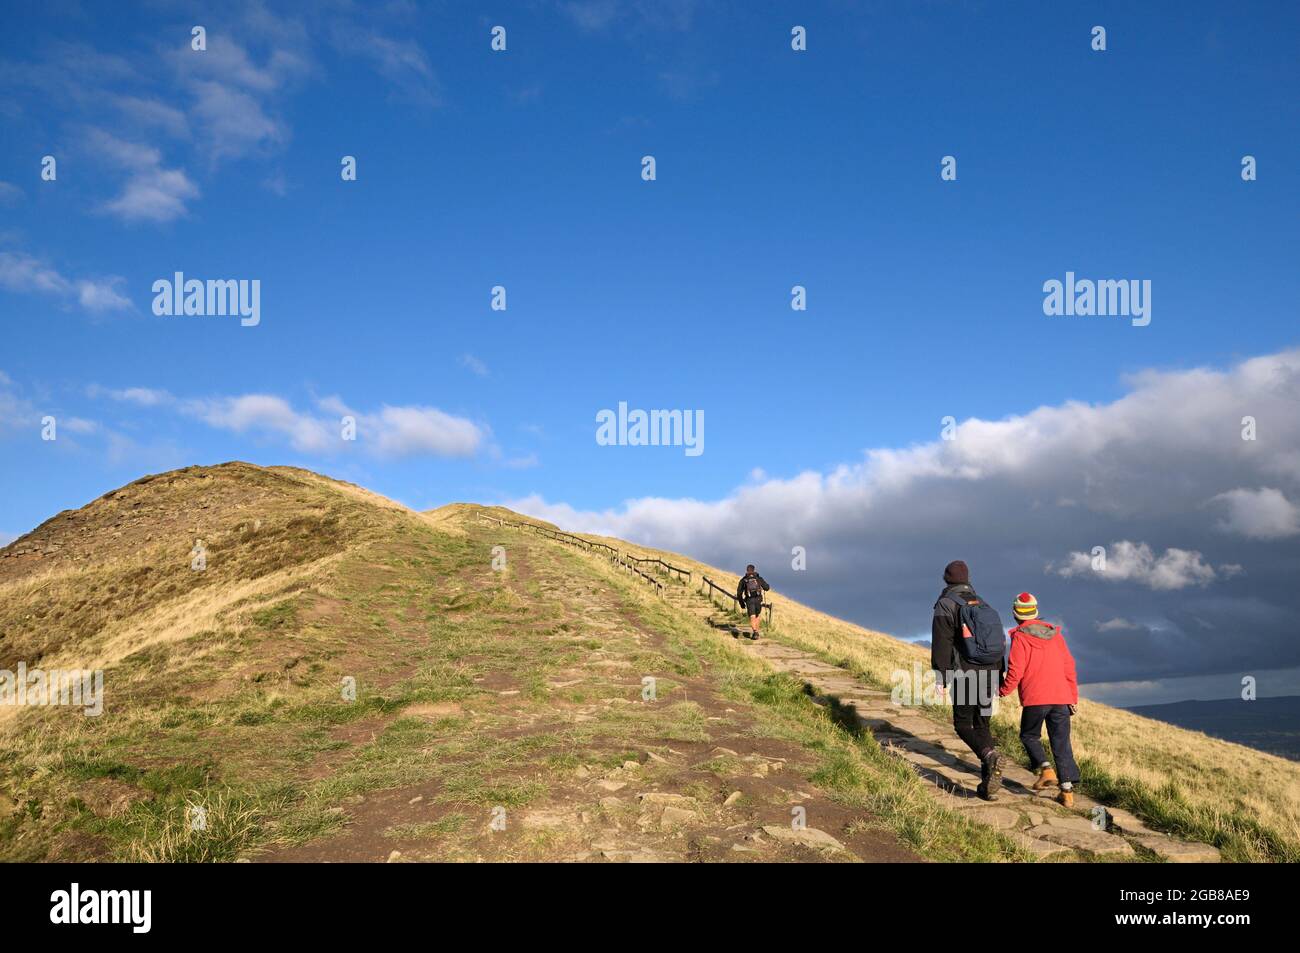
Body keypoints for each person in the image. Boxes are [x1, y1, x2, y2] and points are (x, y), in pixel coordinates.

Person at [931, 560, 1006, 800]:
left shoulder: (946, 604)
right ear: (968, 578)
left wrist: (941, 677)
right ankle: (988, 788)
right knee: (982, 724)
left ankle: (989, 756)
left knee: (963, 724)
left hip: (965, 672)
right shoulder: (981, 602)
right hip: (990, 671)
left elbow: (942, 643)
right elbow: (997, 642)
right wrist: (999, 675)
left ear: (946, 578)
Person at [998, 592, 1080, 807]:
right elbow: (1068, 666)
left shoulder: (1020, 637)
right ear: (1035, 611)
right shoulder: (1055, 635)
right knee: (1061, 744)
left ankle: (1046, 769)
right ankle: (1067, 793)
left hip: (1036, 698)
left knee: (1029, 735)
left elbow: (1016, 669)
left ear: (1015, 614)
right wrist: (1072, 696)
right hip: (1061, 697)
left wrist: (1003, 690)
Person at [735, 564, 770, 640]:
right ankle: (756, 632)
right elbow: (767, 588)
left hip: (749, 600)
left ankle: (755, 632)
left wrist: (742, 604)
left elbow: (739, 593)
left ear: (747, 570)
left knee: (752, 616)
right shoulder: (758, 578)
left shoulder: (743, 580)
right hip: (758, 599)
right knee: (757, 615)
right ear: (754, 570)